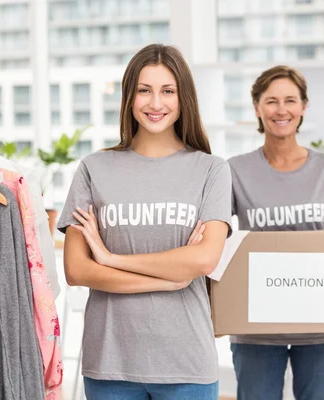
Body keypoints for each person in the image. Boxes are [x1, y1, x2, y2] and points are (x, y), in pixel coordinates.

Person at [57, 44, 232, 400]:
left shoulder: (212, 170)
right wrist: (170, 279)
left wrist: (110, 259)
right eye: (144, 90)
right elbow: (76, 270)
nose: (156, 103)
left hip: (186, 362)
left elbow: (204, 260)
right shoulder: (93, 169)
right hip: (109, 362)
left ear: (183, 98)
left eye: (168, 91)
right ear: (128, 97)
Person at [227, 65, 324, 400]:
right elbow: (213, 234)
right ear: (257, 107)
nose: (281, 110)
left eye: (290, 100)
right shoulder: (234, 171)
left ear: (303, 107)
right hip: (256, 326)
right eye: (271, 101)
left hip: (321, 326)